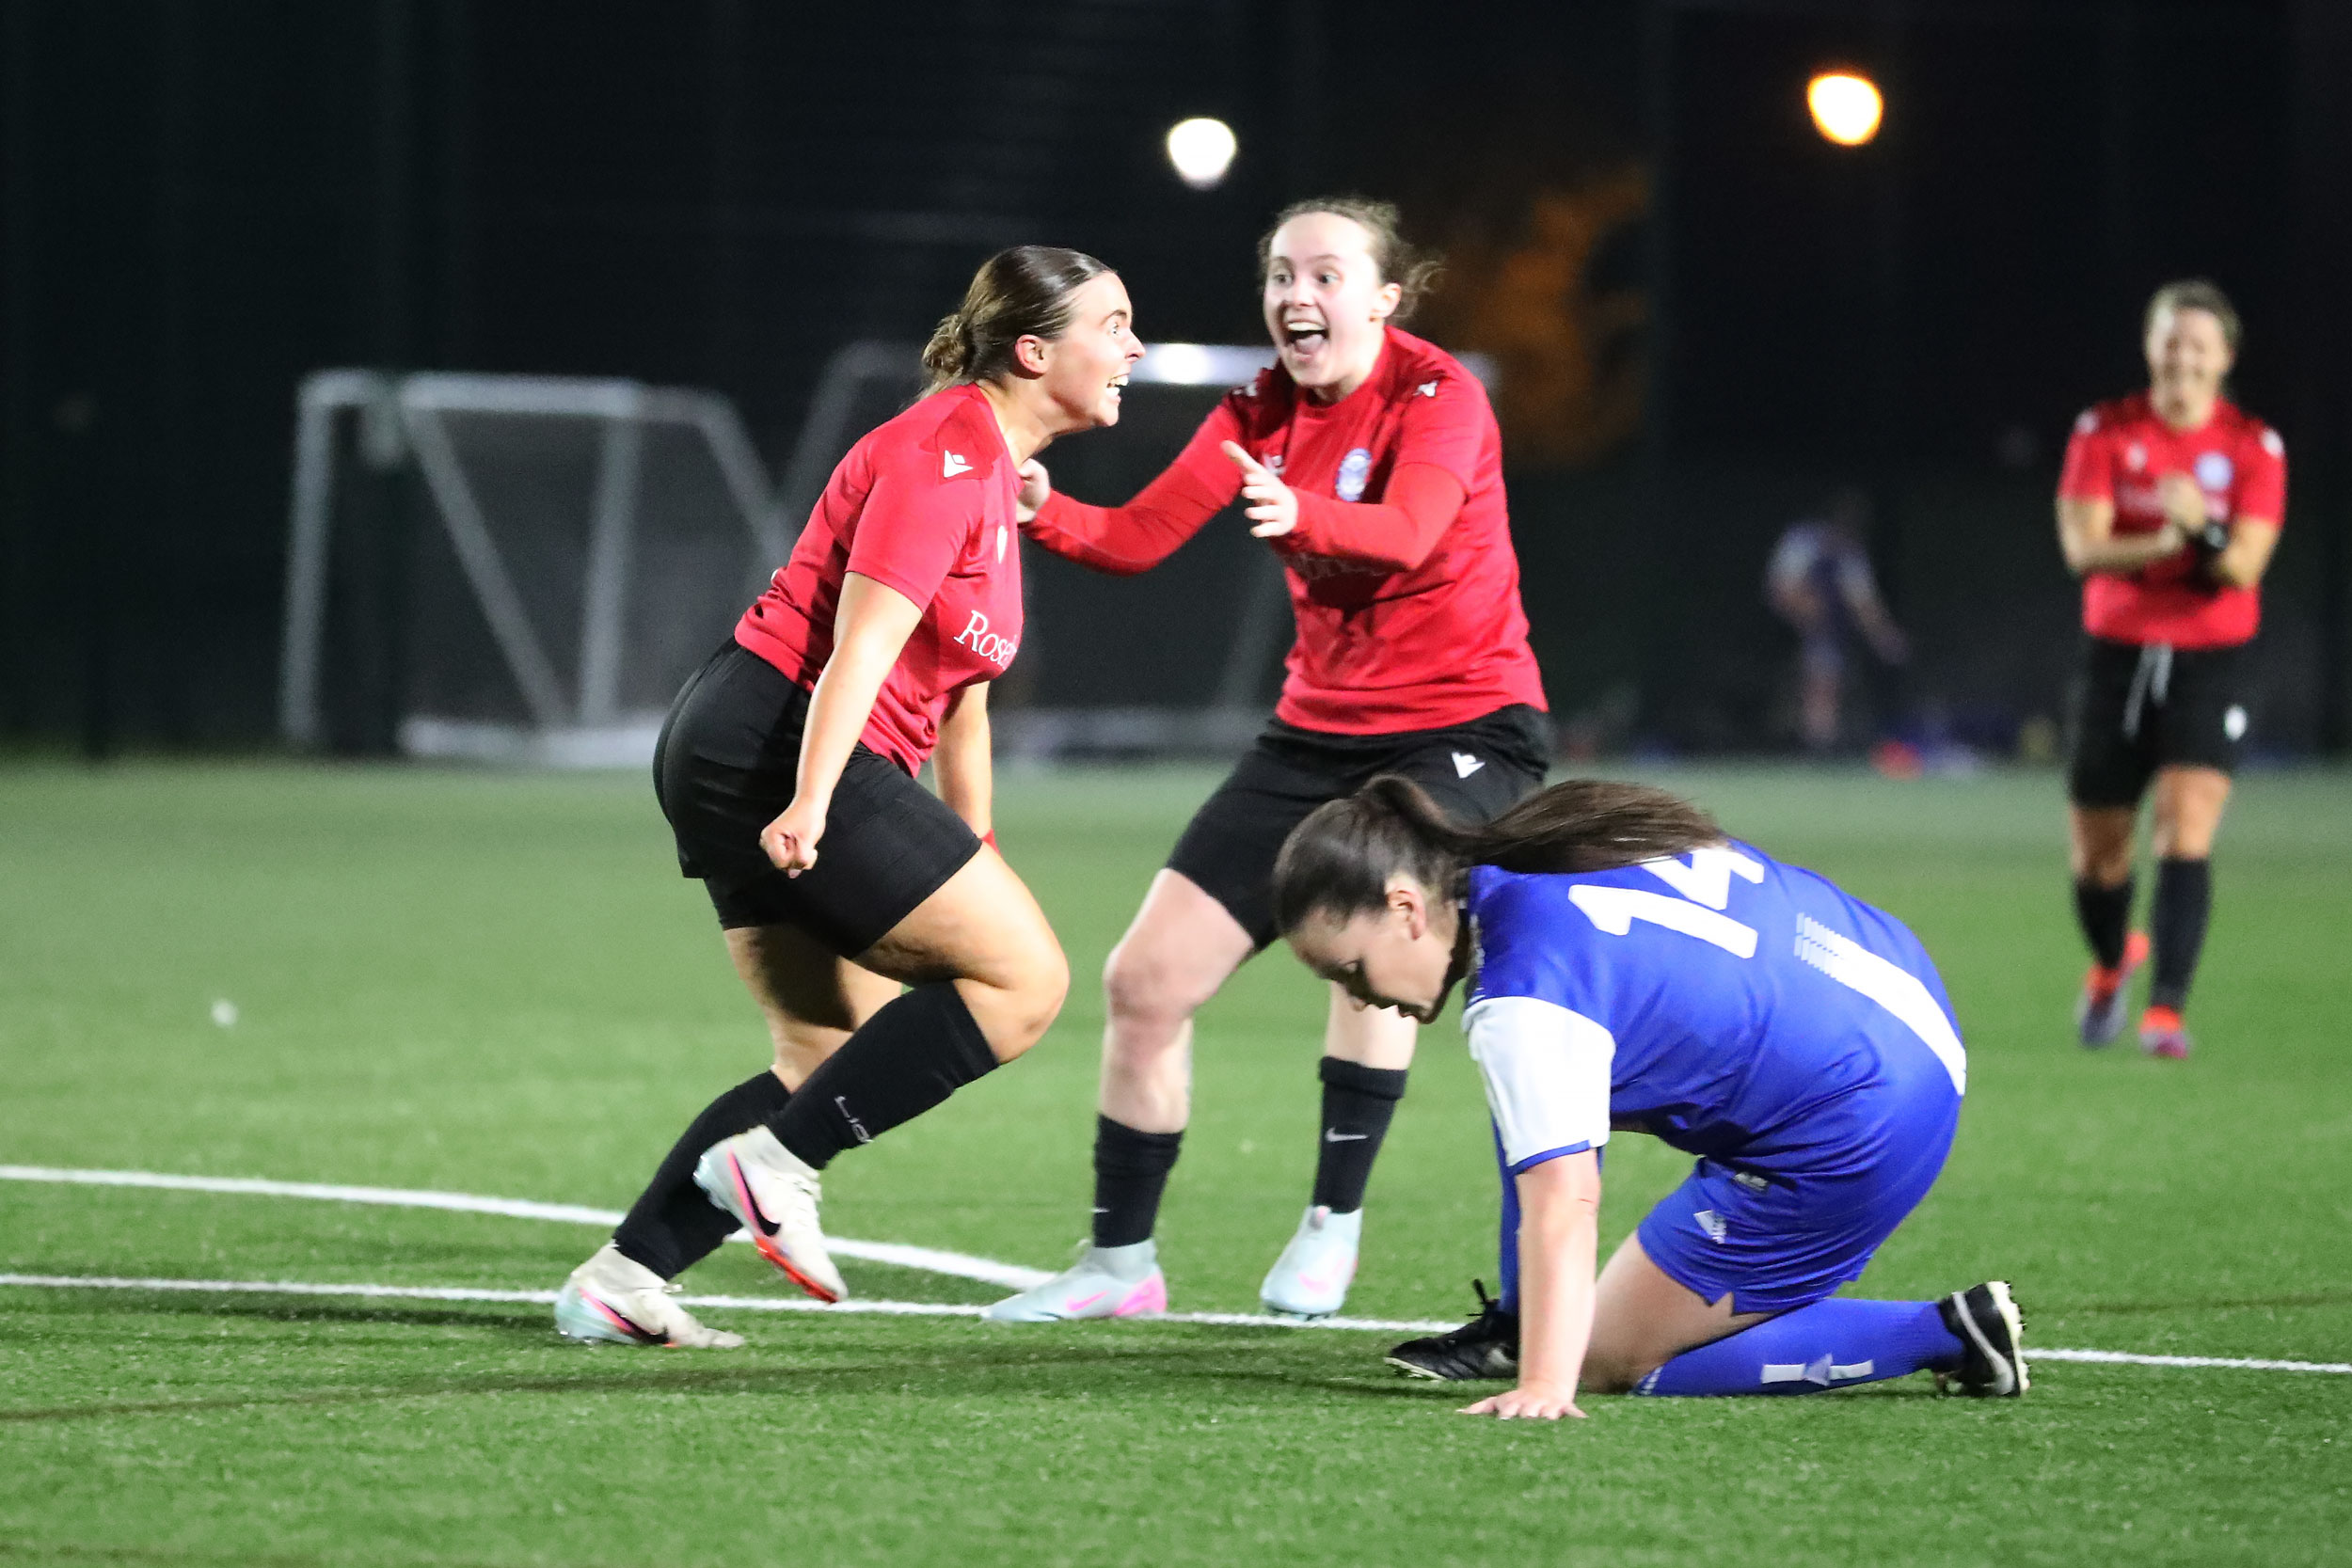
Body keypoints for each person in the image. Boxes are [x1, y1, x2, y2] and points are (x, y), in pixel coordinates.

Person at [552, 245, 1143, 1346]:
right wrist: (811, 801)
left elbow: (962, 700)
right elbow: (858, 648)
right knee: (1025, 981)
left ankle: (623, 1278)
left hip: (753, 743)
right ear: (1032, 351)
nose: (1134, 348)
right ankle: (774, 1169)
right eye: (1112, 325)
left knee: (823, 1055)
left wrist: (974, 842)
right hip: (778, 739)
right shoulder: (943, 454)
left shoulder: (993, 472)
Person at [981, 198, 1550, 1323]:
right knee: (1144, 981)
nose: (1298, 296)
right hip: (1313, 732)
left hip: (1461, 726)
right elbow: (1136, 537)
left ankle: (1332, 1221)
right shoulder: (1257, 409)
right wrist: (1047, 509)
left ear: (1385, 299)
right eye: (1283, 275)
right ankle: (1118, 1264)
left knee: (1370, 917)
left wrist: (1302, 513)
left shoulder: (1439, 395)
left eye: (1327, 275)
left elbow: (1408, 534)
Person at [1270, 775, 2026, 1414]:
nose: (1359, 998)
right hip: (1899, 996)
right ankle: (1519, 1321)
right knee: (1533, 1109)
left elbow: (1566, 1201)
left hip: (1863, 1120)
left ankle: (1947, 1333)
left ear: (1406, 908)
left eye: (1351, 969)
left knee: (1607, 1357)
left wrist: (1546, 1382)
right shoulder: (1547, 846)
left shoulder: (1521, 998)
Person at [2055, 279, 2285, 1059]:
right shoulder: (2106, 432)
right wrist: (2164, 538)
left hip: (2210, 660)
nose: (2184, 357)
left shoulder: (2254, 447)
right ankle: (2111, 961)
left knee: (2185, 828)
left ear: (2225, 358)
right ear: (2150, 348)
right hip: (2117, 657)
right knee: (2099, 854)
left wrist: (2204, 527)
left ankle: (2165, 1012)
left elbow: (2243, 565)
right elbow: (2083, 549)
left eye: (2199, 345)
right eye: (2171, 341)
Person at [1764, 487, 1910, 752]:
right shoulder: (1802, 540)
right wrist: (1804, 611)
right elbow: (1780, 588)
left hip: (1825, 630)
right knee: (1807, 686)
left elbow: (1863, 603)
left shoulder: (1851, 553)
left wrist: (1885, 638)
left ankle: (1818, 745)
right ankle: (1794, 739)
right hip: (1778, 627)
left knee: (1825, 682)